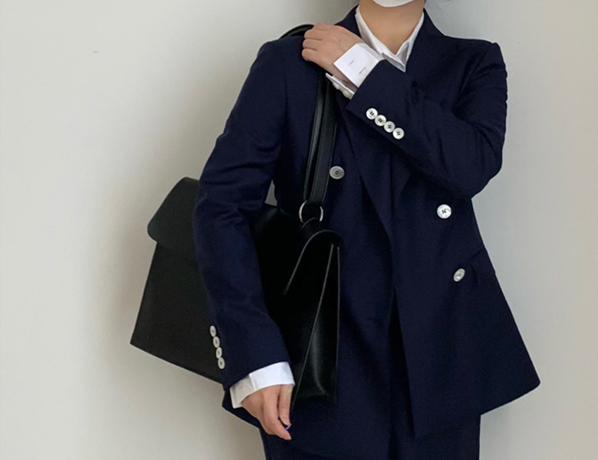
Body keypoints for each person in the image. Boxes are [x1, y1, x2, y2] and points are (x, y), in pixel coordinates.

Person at [192, 1, 541, 459]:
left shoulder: (473, 61)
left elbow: (470, 166)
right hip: (320, 355)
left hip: (440, 361)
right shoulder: (287, 63)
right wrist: (254, 353)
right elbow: (222, 208)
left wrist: (365, 73)